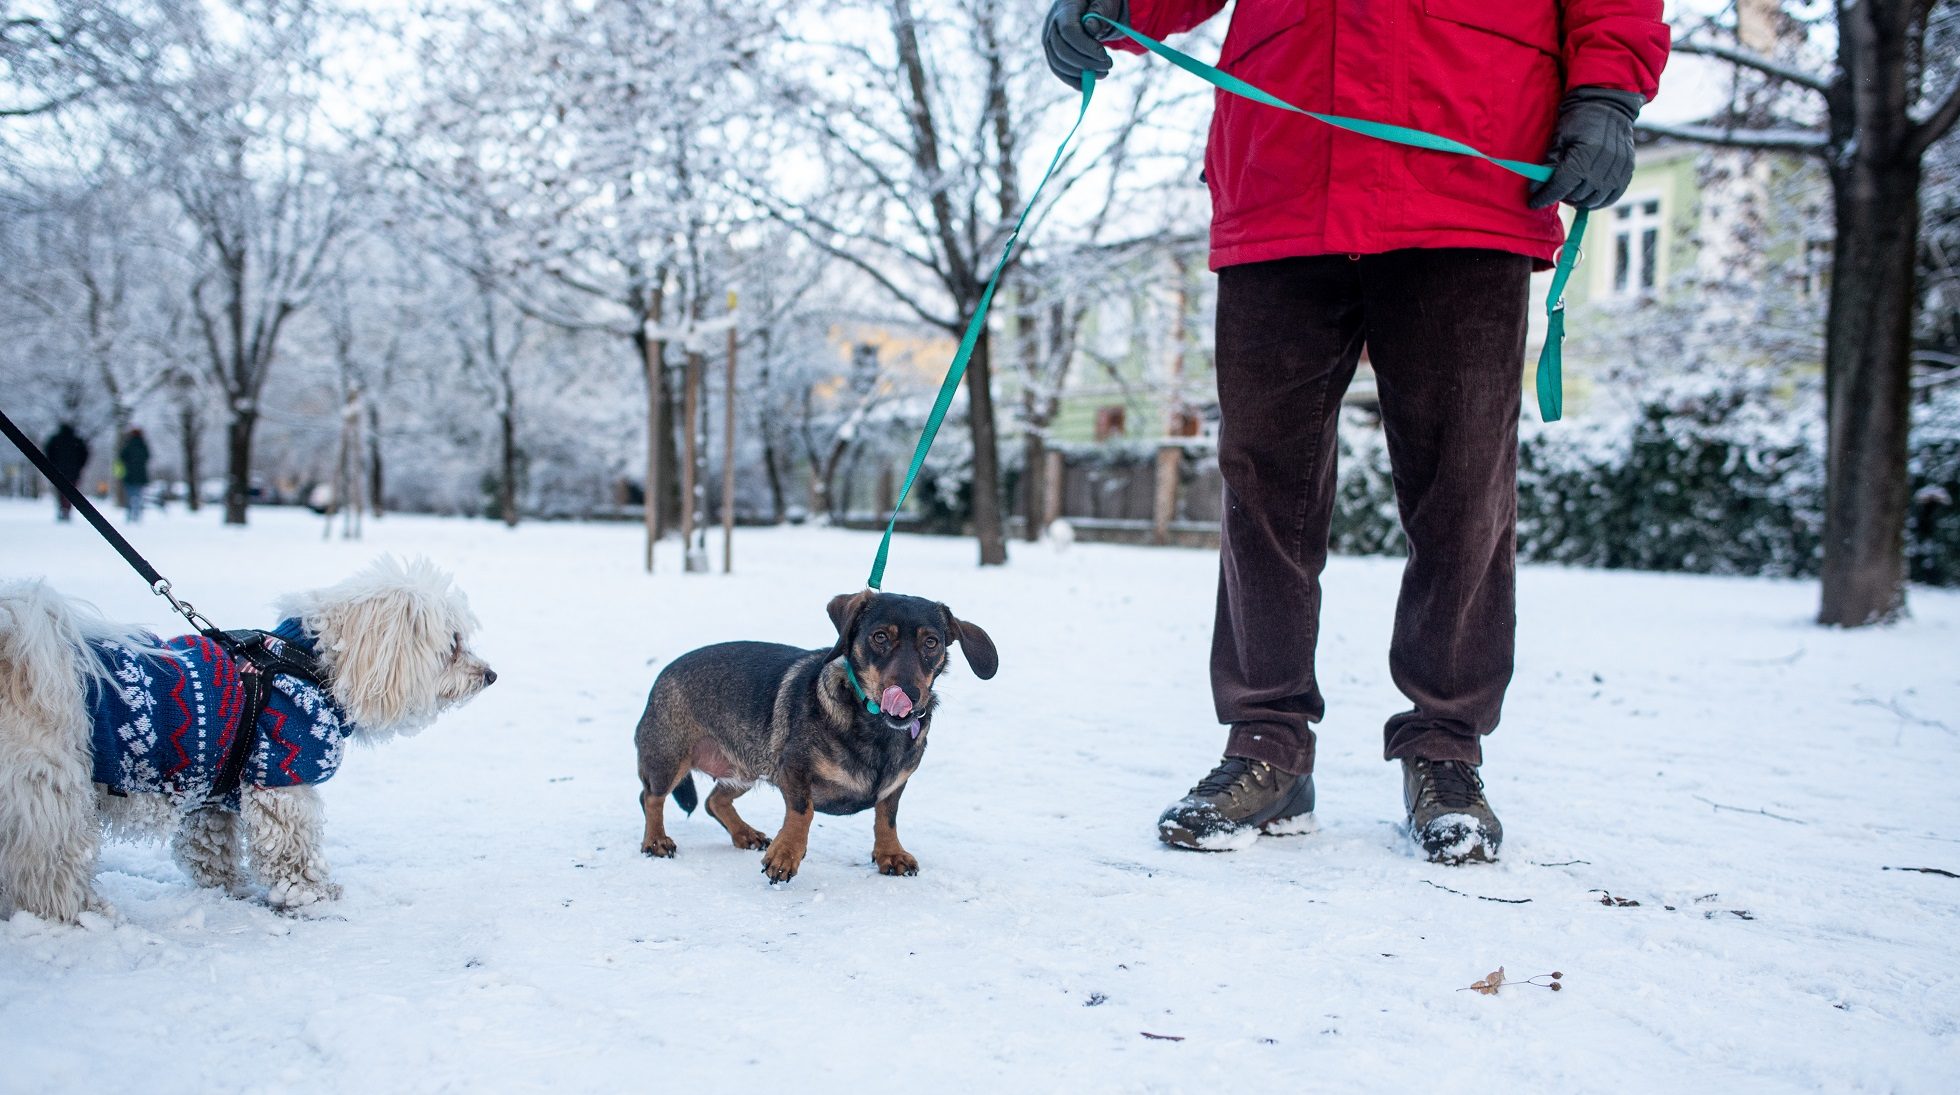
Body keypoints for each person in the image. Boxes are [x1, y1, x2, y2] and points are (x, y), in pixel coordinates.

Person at [1042, 1, 1669, 863]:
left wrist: (1609, 92)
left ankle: (1445, 748)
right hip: (1282, 170)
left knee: (1463, 485)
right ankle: (1267, 743)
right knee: (1261, 485)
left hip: (1470, 165)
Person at [43, 422, 90, 522]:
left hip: (58, 470)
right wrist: (80, 466)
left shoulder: (55, 440)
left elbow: (49, 452)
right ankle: (66, 509)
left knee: (60, 491)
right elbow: (84, 454)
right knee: (71, 492)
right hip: (74, 470)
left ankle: (62, 508)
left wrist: (52, 465)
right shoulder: (77, 441)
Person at [118, 427, 151, 522]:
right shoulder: (143, 445)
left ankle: (129, 515)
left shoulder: (128, 445)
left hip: (129, 475)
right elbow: (147, 457)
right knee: (138, 496)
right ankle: (137, 515)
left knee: (130, 496)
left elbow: (122, 457)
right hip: (140, 476)